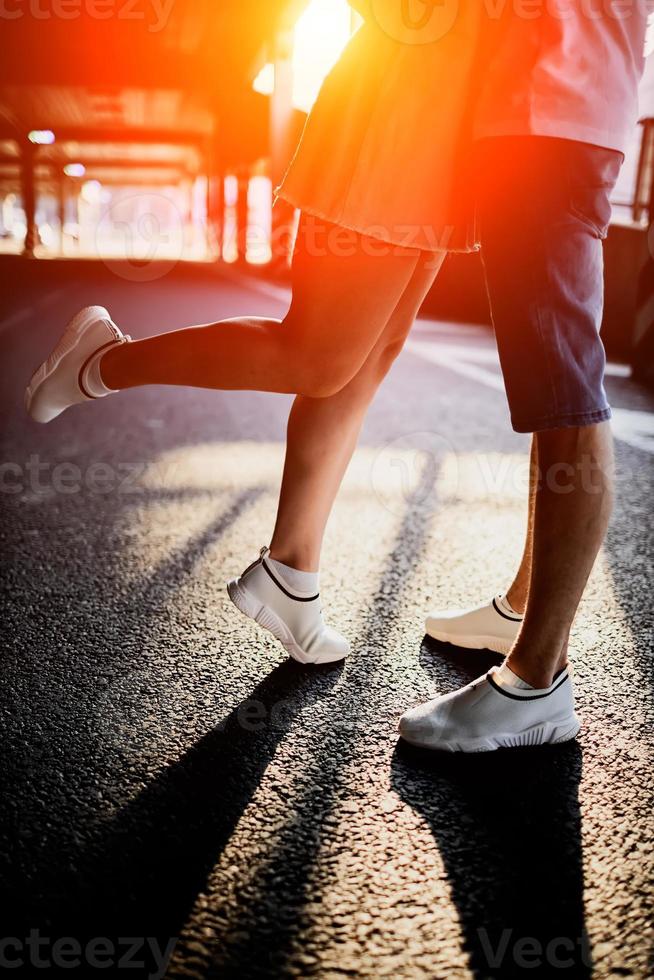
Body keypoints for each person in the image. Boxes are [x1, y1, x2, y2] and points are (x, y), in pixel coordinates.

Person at [25, 3, 485, 665]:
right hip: (407, 105)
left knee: (367, 363)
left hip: (458, 127)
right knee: (319, 357)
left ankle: (292, 572)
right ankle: (103, 362)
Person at [398, 0, 653, 751]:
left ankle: (537, 680)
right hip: (550, 109)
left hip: (554, 115)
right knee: (552, 390)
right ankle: (520, 608)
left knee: (567, 389)